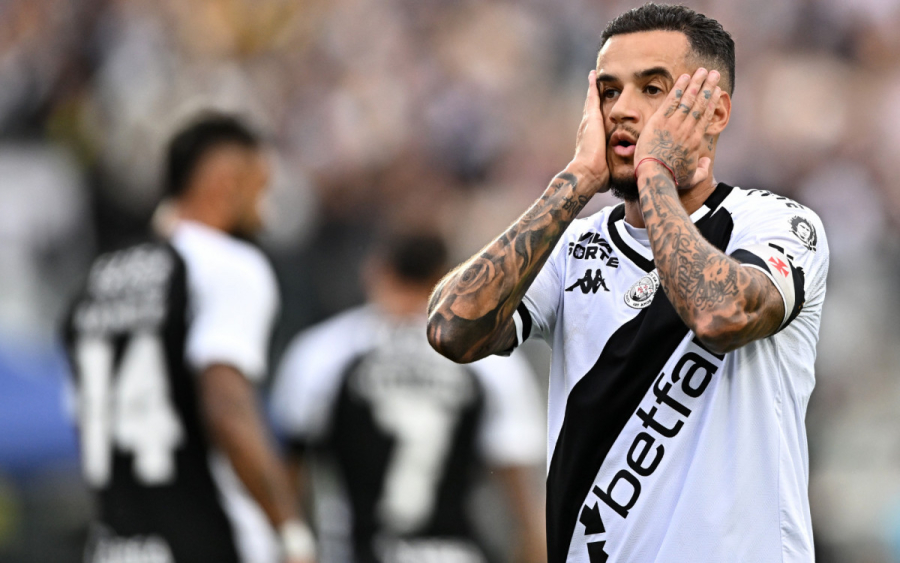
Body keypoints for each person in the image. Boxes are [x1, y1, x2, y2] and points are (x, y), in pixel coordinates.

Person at [426, 4, 829, 563]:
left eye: (652, 89)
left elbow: (721, 314)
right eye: (609, 91)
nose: (621, 110)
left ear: (715, 111)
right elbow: (451, 331)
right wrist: (575, 180)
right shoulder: (572, 246)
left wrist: (654, 172)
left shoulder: (775, 224)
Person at [62, 113, 315, 563]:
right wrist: (291, 531)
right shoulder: (228, 265)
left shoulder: (98, 278)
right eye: (260, 188)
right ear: (224, 183)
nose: (267, 210)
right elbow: (227, 407)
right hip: (205, 539)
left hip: (116, 546)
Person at [271, 231, 547, 563]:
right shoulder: (488, 360)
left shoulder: (323, 352)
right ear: (451, 278)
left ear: (376, 271)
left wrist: (293, 545)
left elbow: (286, 472)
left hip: (353, 552)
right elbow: (523, 498)